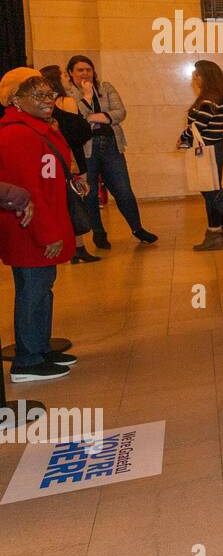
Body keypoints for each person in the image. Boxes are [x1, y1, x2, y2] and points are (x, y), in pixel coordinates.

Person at [0, 70, 78, 383]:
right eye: (38, 96)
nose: (47, 102)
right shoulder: (16, 134)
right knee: (32, 291)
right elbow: (26, 191)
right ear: (15, 100)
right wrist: (47, 234)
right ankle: (27, 360)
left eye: (49, 95)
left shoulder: (39, 129)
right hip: (30, 230)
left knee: (42, 289)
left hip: (46, 225)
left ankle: (40, 347)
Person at [67, 55, 157, 248]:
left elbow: (120, 113)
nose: (85, 73)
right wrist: (88, 99)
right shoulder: (69, 95)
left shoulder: (106, 88)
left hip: (111, 145)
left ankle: (137, 228)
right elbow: (78, 117)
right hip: (86, 149)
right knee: (90, 194)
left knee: (123, 191)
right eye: (80, 70)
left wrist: (94, 117)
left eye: (88, 69)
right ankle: (98, 233)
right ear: (71, 73)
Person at [39, 65, 98, 264]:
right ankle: (77, 247)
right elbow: (79, 130)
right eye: (64, 75)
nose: (67, 77)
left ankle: (74, 246)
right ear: (56, 79)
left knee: (64, 203)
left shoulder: (44, 106)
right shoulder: (67, 101)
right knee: (77, 201)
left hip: (55, 158)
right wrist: (87, 97)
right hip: (71, 158)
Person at [177, 60, 223, 251]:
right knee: (215, 190)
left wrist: (182, 137)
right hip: (215, 148)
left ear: (207, 76)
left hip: (207, 150)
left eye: (198, 74)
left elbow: (199, 125)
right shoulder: (220, 96)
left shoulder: (209, 98)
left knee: (210, 192)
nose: (195, 78)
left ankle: (214, 233)